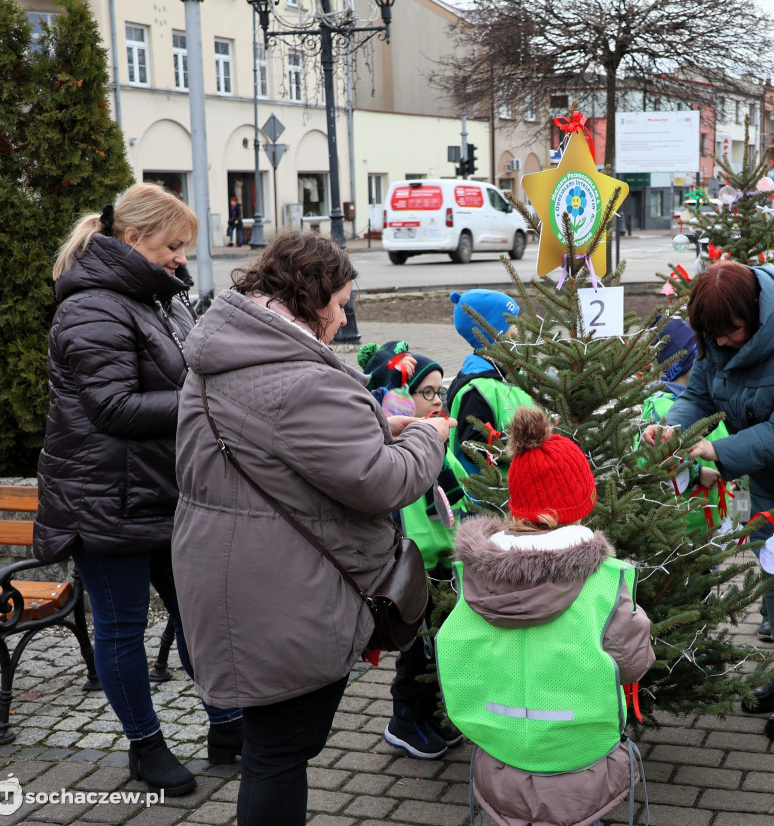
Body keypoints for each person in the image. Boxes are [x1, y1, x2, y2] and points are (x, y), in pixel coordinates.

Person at [170, 232, 453, 826]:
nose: (345, 314)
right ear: (311, 298)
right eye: (342, 301)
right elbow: (381, 483)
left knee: (271, 748)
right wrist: (427, 435)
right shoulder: (301, 379)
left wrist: (379, 429)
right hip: (282, 592)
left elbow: (283, 449)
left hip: (228, 570)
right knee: (279, 755)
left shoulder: (227, 353)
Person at [33, 182, 242, 798]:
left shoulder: (159, 299)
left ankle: (227, 728)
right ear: (133, 239)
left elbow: (193, 365)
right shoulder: (91, 307)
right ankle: (146, 749)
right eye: (173, 246)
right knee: (123, 628)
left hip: (163, 491)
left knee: (198, 615)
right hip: (103, 500)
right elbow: (114, 408)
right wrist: (206, 403)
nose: (182, 258)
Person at [642, 260, 774, 739]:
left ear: (754, 312)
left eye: (729, 332)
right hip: (770, 473)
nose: (722, 343)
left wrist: (717, 450)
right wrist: (674, 426)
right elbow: (701, 394)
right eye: (712, 335)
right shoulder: (717, 335)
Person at [436, 406, 655, 826]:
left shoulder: (472, 578)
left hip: (496, 754)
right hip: (582, 756)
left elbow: (457, 655)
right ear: (579, 504)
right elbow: (634, 665)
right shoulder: (605, 583)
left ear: (517, 504)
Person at [359, 341, 467, 760]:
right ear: (399, 399)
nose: (438, 399)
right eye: (427, 392)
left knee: (439, 645)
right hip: (409, 568)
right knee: (415, 650)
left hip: (442, 563)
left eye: (441, 391)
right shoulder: (394, 454)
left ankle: (430, 714)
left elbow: (456, 499)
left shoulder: (438, 445)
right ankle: (404, 720)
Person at [640, 318, 729, 542]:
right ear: (689, 362)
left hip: (708, 524)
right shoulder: (661, 408)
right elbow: (645, 462)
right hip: (680, 531)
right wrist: (696, 475)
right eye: (701, 355)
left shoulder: (709, 400)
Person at [445, 289, 533, 479]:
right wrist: (529, 444)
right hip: (492, 498)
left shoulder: (512, 376)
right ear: (493, 332)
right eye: (513, 322)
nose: (522, 327)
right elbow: (475, 446)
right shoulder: (477, 389)